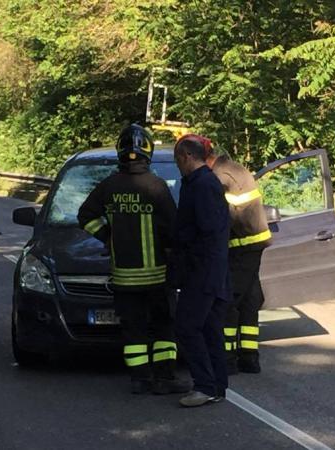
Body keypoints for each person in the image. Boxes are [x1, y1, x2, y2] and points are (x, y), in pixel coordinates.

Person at [78, 124, 189, 395]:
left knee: (134, 331)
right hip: (156, 276)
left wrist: (108, 238)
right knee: (163, 327)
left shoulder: (109, 186)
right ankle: (164, 378)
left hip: (124, 276)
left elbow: (86, 216)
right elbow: (173, 228)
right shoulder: (156, 186)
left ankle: (139, 379)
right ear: (147, 152)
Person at [199, 139, 271, 375]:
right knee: (250, 300)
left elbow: (219, 218)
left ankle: (227, 358)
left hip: (240, 248)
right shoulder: (235, 169)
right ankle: (249, 357)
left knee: (228, 301)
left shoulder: (220, 177)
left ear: (207, 158)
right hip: (252, 245)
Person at [172, 136, 231, 407]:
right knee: (209, 329)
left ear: (186, 156)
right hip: (212, 269)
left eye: (177, 160)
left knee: (187, 326)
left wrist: (182, 248)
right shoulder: (202, 183)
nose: (178, 166)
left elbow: (205, 230)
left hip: (203, 271)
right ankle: (217, 386)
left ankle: (205, 385)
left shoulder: (202, 185)